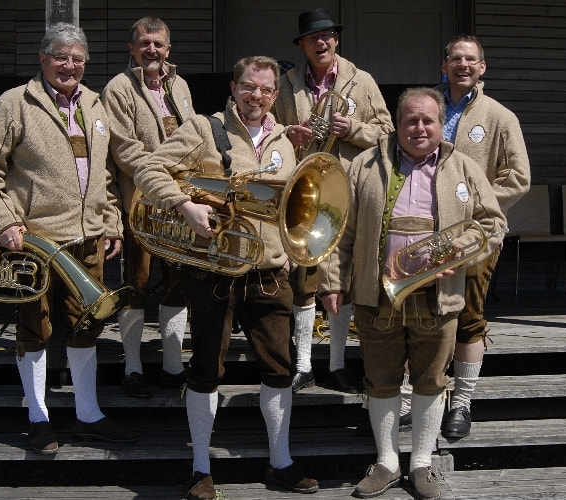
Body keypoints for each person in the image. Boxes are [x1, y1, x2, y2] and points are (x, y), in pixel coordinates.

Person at [134, 56, 319, 499]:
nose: (257, 96)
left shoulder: (283, 139)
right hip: (214, 272)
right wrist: (184, 204)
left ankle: (280, 461)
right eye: (249, 86)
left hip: (269, 273)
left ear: (275, 95)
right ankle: (200, 468)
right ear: (233, 87)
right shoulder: (204, 128)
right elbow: (148, 169)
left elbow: (291, 209)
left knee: (279, 369)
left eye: (266, 90)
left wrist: (289, 254)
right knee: (205, 370)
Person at [319, 87, 506, 499]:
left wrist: (463, 248)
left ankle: (421, 463)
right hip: (376, 295)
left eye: (428, 120)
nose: (420, 128)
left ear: (440, 125)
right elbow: (340, 228)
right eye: (411, 120)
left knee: (431, 379)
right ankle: (387, 462)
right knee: (381, 380)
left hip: (438, 296)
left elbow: (493, 224)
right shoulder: (364, 164)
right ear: (398, 123)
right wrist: (332, 280)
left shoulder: (464, 166)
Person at [0, 22, 137, 454]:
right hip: (34, 241)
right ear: (43, 59)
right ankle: (38, 419)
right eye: (60, 56)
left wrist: (112, 222)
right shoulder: (15, 103)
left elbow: (104, 173)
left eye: (77, 58)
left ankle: (88, 414)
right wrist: (5, 221)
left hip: (90, 239)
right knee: (34, 328)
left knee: (87, 325)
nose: (69, 65)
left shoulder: (96, 105)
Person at [273, 7, 394, 394]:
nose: (321, 43)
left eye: (326, 36)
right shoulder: (287, 83)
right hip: (306, 191)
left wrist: (353, 128)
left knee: (344, 277)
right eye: (312, 38)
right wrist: (287, 132)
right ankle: (303, 366)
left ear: (336, 40)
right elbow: (268, 127)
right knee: (304, 277)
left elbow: (388, 132)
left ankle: (338, 363)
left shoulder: (363, 81)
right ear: (302, 46)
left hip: (349, 191)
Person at [438, 35, 530, 439]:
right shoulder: (425, 109)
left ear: (482, 67)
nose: (463, 65)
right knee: (419, 317)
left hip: (478, 234)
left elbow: (519, 177)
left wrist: (473, 204)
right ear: (444, 65)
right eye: (456, 58)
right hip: (423, 233)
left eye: (470, 59)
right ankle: (412, 398)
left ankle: (461, 402)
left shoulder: (500, 117)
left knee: (468, 317)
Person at [102, 16, 195, 398]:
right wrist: (166, 177)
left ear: (168, 49)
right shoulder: (118, 88)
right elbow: (124, 150)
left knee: (177, 285)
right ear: (132, 48)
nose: (151, 50)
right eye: (144, 43)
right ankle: (133, 369)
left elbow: (194, 136)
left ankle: (173, 368)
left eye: (158, 44)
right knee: (136, 285)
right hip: (139, 205)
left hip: (181, 205)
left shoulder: (180, 85)